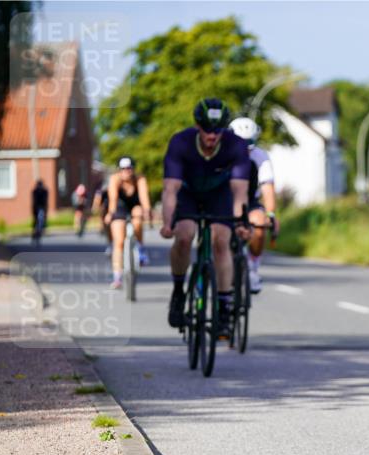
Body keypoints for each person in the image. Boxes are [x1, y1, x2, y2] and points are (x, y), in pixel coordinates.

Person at [160, 98, 249, 338]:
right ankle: (178, 292)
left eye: (217, 130)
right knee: (184, 235)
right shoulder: (181, 143)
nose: (212, 136)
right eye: (207, 130)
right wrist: (168, 223)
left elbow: (239, 192)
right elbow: (170, 190)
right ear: (198, 127)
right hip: (187, 193)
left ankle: (223, 305)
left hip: (218, 195)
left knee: (221, 240)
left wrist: (241, 222)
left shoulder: (235, 146)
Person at [228, 116, 277, 294]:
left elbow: (268, 189)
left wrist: (271, 215)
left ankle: (253, 268)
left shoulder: (260, 157)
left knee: (259, 223)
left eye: (249, 143)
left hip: (250, 201)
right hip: (225, 200)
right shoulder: (221, 153)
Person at [106, 157, 151, 289]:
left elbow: (144, 197)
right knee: (118, 242)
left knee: (138, 217)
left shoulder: (139, 179)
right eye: (123, 169)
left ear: (133, 169)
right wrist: (111, 213)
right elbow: (113, 198)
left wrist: (147, 210)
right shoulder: (115, 179)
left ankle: (140, 248)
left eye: (129, 168)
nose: (126, 171)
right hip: (119, 207)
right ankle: (117, 277)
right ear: (119, 170)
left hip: (134, 206)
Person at [31, 179, 48, 244]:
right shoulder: (35, 191)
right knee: (36, 222)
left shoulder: (44, 191)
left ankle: (39, 234)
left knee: (41, 221)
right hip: (36, 208)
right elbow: (34, 201)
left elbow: (45, 200)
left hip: (42, 208)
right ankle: (35, 234)